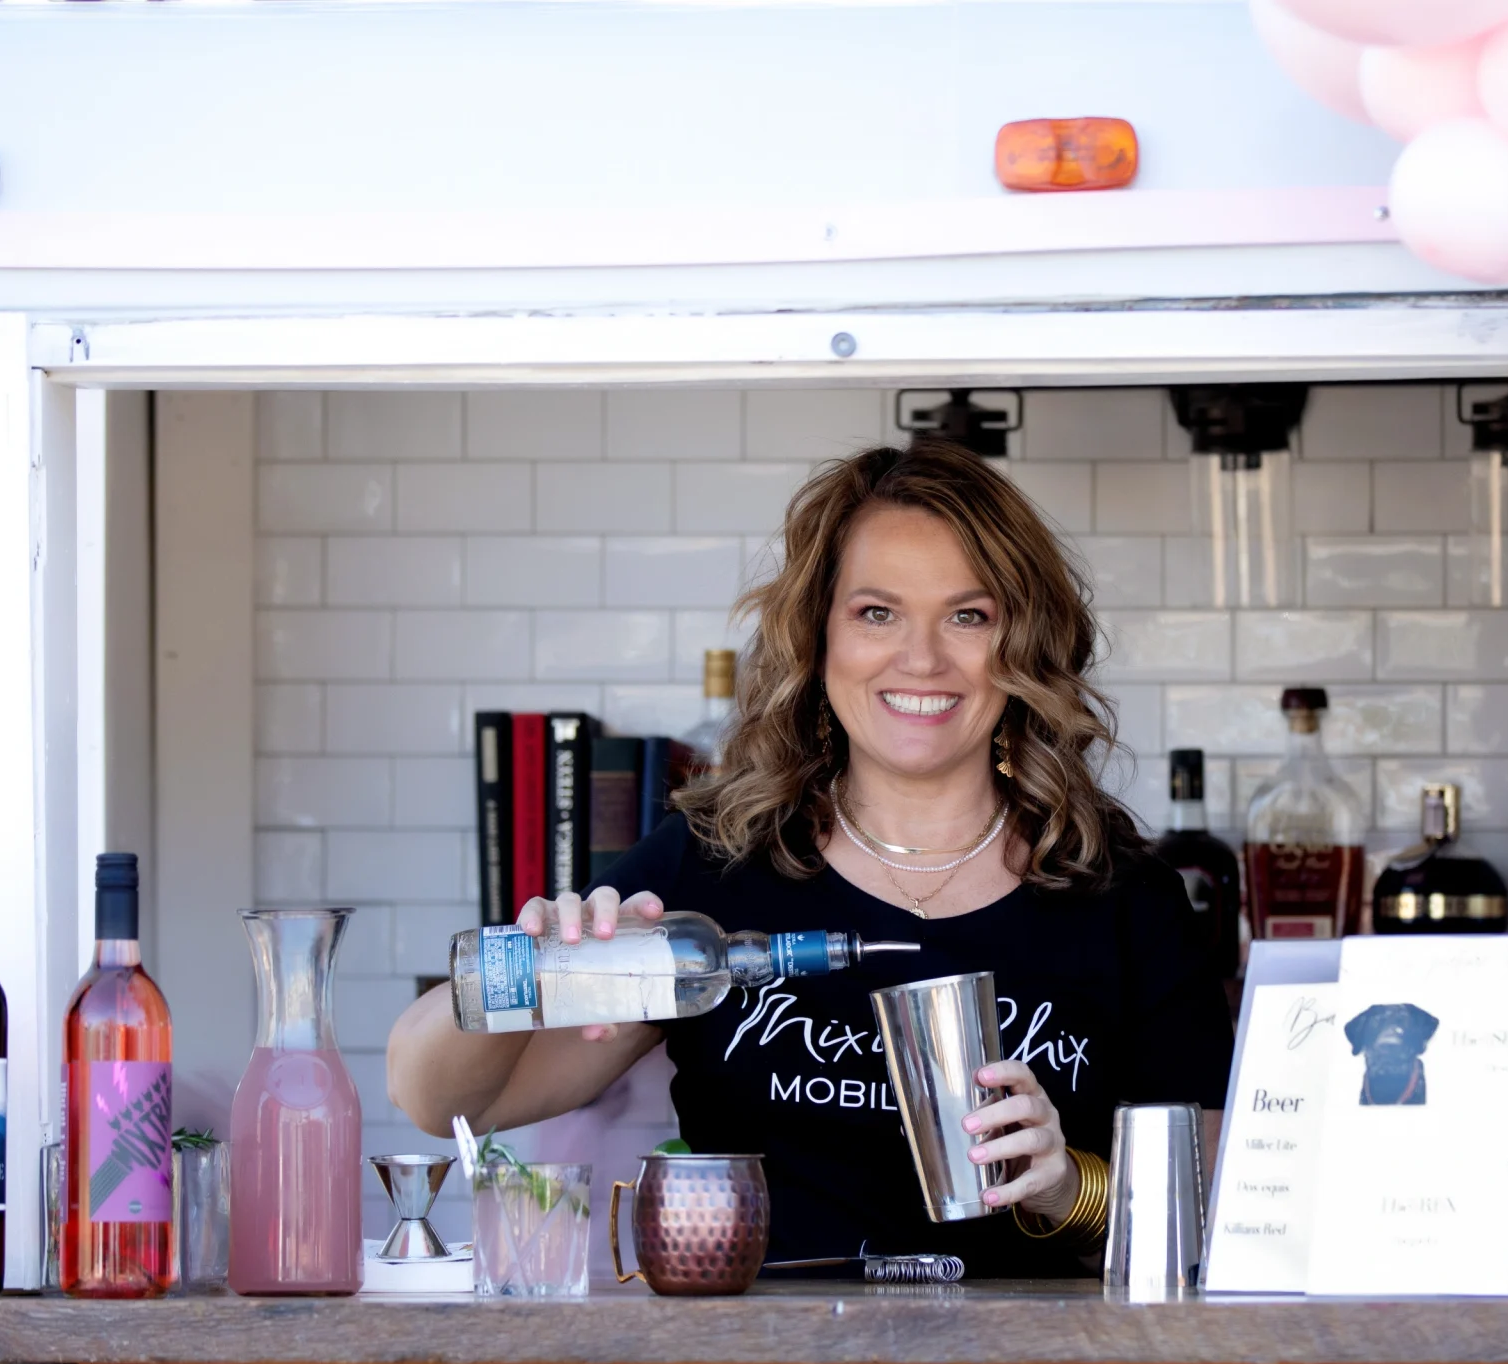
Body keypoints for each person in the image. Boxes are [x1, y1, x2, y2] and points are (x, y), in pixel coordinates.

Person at [387, 438, 1233, 1276]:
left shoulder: (1122, 894)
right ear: (818, 636)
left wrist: (1069, 1190)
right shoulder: (716, 866)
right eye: (877, 612)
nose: (922, 658)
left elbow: (1212, 1208)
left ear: (1024, 645)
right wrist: (522, 968)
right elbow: (441, 1100)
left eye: (968, 615)